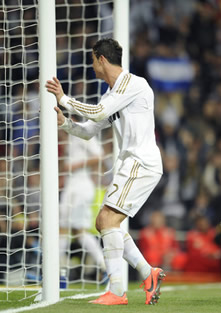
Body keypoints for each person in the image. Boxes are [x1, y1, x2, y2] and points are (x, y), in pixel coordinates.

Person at [46, 38, 165, 305]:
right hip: (129, 165)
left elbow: (99, 113)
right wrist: (65, 123)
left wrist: (64, 98)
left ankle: (118, 291)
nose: (91, 66)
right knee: (103, 223)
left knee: (108, 221)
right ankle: (149, 273)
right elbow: (89, 131)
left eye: (92, 59)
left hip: (141, 163)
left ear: (101, 59)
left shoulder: (134, 84)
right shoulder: (111, 95)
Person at [58, 131, 106, 280]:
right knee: (79, 232)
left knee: (64, 229)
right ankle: (105, 268)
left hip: (80, 186)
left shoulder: (80, 134)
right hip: (74, 186)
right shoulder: (69, 138)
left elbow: (99, 155)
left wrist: (74, 166)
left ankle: (51, 270)